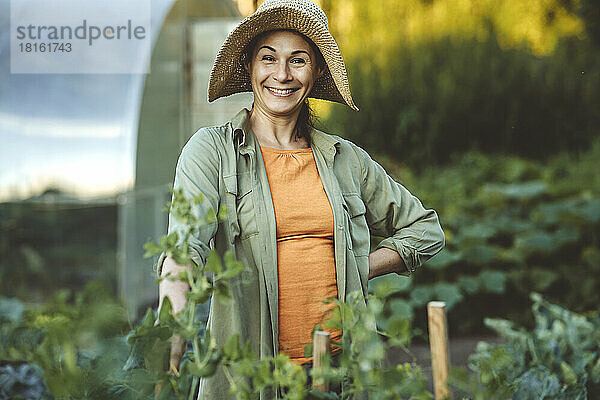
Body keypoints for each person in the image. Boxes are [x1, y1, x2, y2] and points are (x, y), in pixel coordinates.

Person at [157, 0, 445, 399]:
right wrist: (171, 325)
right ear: (248, 66)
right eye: (268, 58)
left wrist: (357, 265)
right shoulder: (212, 151)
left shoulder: (344, 159)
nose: (282, 74)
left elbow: (425, 229)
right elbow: (184, 249)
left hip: (344, 372)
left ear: (318, 71)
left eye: (298, 60)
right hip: (252, 377)